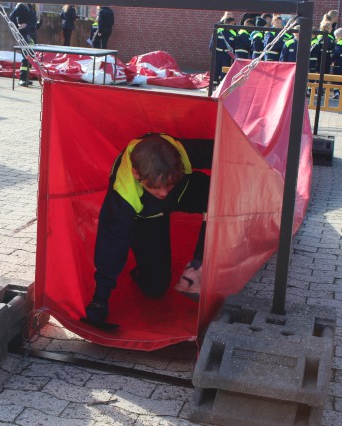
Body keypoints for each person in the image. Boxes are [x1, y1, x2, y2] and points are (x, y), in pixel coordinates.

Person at [84, 133, 213, 325]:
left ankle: (198, 265)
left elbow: (226, 150)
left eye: (167, 185)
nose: (163, 192)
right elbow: (110, 246)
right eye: (156, 188)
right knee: (155, 288)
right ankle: (142, 273)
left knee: (221, 195)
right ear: (137, 174)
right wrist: (99, 300)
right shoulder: (122, 198)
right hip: (146, 217)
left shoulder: (178, 151)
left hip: (182, 193)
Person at [10, 3, 39, 87]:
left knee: (31, 56)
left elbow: (34, 21)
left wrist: (31, 25)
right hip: (25, 34)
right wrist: (17, 28)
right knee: (26, 56)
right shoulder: (22, 6)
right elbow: (12, 16)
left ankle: (26, 78)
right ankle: (22, 78)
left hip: (32, 34)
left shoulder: (33, 7)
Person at [210, 16, 237, 86]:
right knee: (216, 67)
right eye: (232, 24)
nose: (233, 25)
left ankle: (222, 83)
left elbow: (234, 44)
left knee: (225, 68)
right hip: (218, 53)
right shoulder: (219, 30)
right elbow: (213, 42)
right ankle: (214, 82)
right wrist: (212, 51)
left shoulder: (233, 33)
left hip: (227, 54)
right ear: (228, 23)